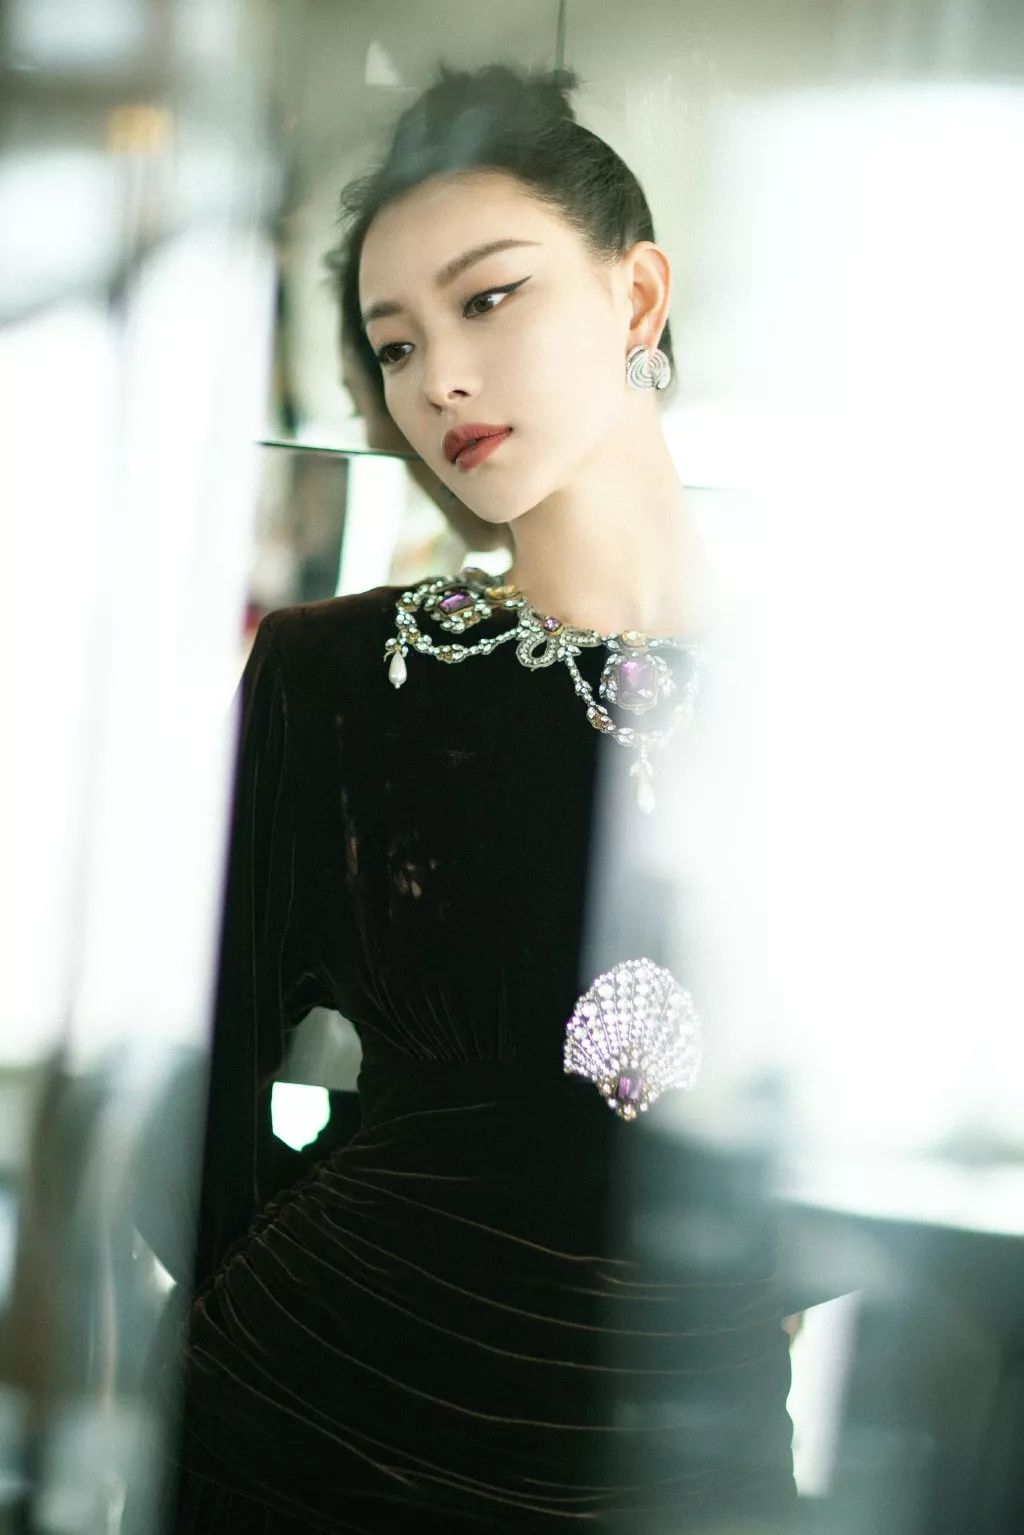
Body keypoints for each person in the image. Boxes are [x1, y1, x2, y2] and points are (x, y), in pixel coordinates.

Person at [145, 62, 804, 1534]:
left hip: (689, 1464)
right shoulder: (336, 679)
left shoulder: (838, 703)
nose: (437, 377)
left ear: (637, 297)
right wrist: (294, 1317)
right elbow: (180, 1104)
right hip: (306, 1433)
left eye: (489, 299)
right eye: (396, 344)